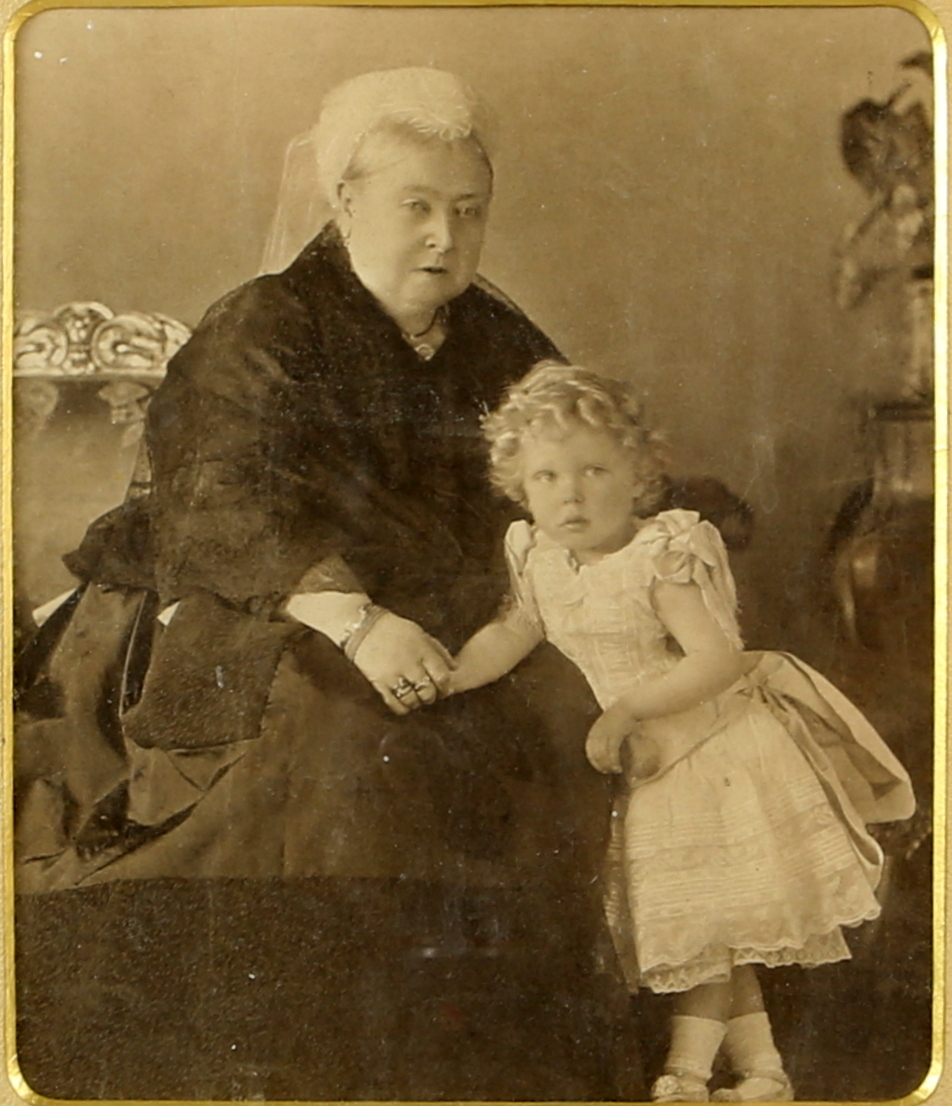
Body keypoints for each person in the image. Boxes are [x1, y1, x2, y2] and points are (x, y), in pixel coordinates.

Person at [13, 70, 638, 1101]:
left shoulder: (496, 336)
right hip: (255, 602)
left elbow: (566, 463)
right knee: (340, 736)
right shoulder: (262, 322)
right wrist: (357, 620)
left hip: (459, 613)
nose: (446, 235)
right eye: (417, 206)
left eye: (468, 210)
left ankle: (478, 1048)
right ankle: (326, 1045)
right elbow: (218, 502)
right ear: (345, 202)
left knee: (555, 714)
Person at [443, 362, 916, 1103]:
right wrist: (448, 676)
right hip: (652, 765)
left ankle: (687, 1074)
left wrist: (628, 709)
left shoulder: (660, 554)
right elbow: (512, 632)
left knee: (705, 930)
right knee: (711, 930)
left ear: (637, 474)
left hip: (714, 751)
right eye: (547, 478)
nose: (570, 493)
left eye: (594, 469)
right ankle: (764, 1074)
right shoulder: (539, 560)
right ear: (519, 487)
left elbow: (716, 659)